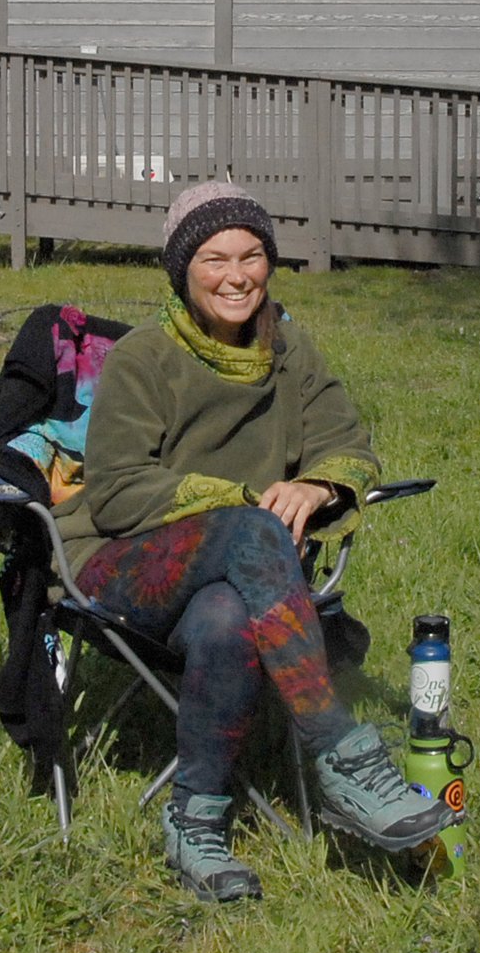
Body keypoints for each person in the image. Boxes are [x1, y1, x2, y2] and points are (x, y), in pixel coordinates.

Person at [65, 181, 452, 901]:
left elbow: (351, 447)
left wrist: (319, 486)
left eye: (251, 256)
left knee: (228, 621)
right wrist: (241, 502)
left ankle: (197, 821)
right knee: (252, 529)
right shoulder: (143, 358)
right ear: (182, 271)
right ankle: (338, 751)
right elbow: (115, 491)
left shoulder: (288, 346)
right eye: (214, 259)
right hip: (121, 564)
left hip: (238, 581)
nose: (236, 275)